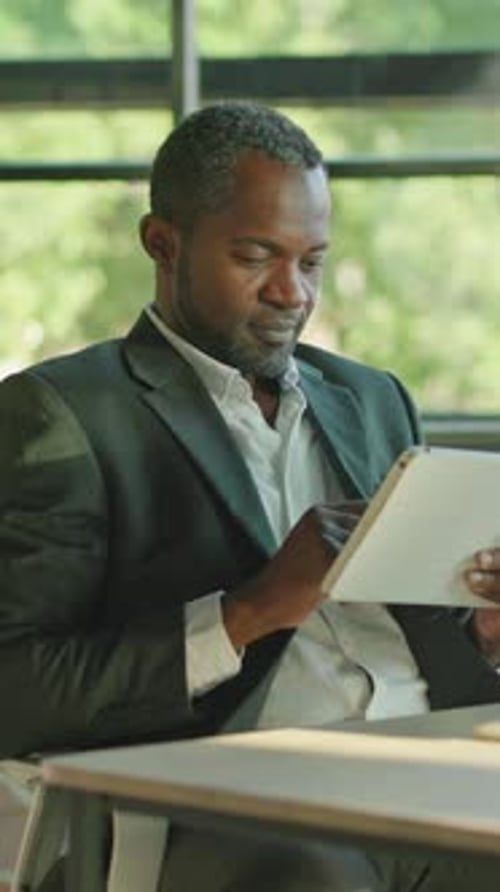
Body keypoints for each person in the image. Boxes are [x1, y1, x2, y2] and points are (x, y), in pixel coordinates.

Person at [1, 101, 500, 892]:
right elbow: (16, 690)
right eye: (257, 255)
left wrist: (484, 634)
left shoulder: (374, 400)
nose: (292, 293)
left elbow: (434, 646)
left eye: (313, 262)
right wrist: (250, 611)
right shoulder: (63, 415)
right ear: (162, 245)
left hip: (433, 767)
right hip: (239, 805)